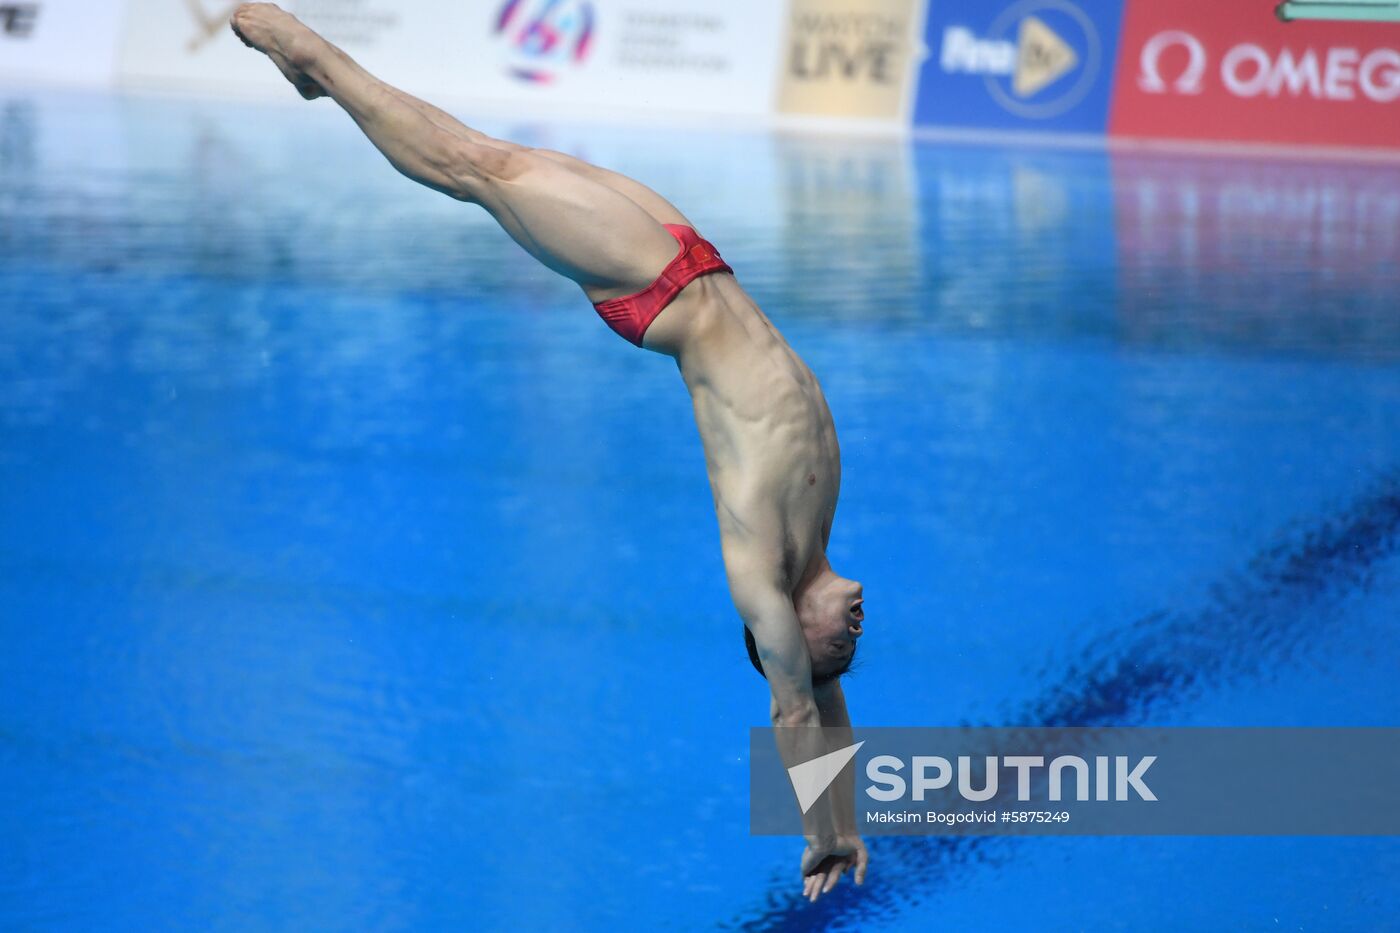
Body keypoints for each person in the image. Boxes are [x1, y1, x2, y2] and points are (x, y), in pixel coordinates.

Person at [230, 3, 869, 902]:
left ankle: (317, 62)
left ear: (792, 639)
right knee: (493, 155)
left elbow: (797, 705)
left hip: (658, 292)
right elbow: (829, 706)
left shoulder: (762, 567)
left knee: (475, 169)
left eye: (844, 643)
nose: (860, 627)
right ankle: (323, 77)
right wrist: (851, 820)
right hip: (697, 259)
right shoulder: (815, 542)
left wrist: (820, 845)